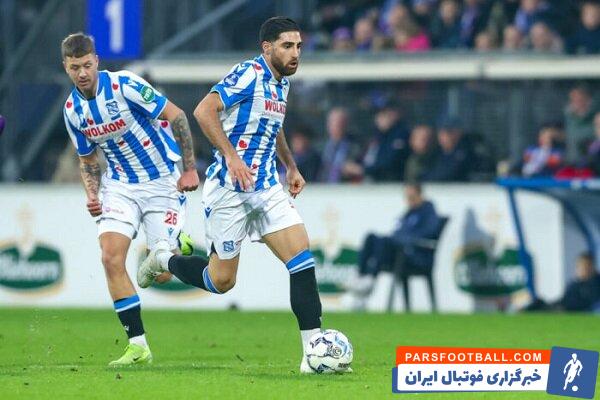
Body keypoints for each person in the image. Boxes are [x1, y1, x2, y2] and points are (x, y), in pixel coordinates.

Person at [137, 17, 335, 374]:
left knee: (301, 259)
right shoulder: (248, 74)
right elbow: (203, 110)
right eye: (287, 46)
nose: (295, 53)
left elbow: (273, 127)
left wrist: (290, 166)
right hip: (229, 191)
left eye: (298, 46)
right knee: (221, 281)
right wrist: (231, 156)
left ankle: (314, 354)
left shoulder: (282, 84)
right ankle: (163, 259)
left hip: (266, 190)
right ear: (267, 48)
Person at [61, 33, 200, 366]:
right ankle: (138, 346)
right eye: (75, 67)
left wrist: (189, 170)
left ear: (97, 61)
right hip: (120, 186)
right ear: (66, 67)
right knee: (110, 257)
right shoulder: (72, 110)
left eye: (87, 65)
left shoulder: (125, 85)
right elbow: (88, 159)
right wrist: (92, 193)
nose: (82, 73)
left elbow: (177, 115)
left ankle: (175, 243)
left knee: (161, 274)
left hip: (162, 181)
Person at [349, 183, 440, 308]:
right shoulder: (409, 213)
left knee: (384, 243)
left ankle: (369, 279)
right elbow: (398, 231)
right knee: (371, 238)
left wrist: (403, 239)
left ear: (420, 195)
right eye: (407, 197)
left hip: (416, 256)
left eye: (412, 197)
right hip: (399, 252)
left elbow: (428, 233)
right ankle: (361, 275)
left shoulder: (429, 213)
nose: (409, 200)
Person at [524, 252, 600, 312]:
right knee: (538, 302)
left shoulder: (595, 284)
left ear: (592, 267)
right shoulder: (575, 284)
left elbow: (588, 304)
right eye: (579, 266)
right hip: (561, 306)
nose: (581, 270)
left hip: (568, 310)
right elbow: (564, 299)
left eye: (585, 267)